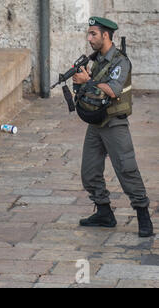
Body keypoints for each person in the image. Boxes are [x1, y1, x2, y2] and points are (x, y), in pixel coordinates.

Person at [73, 17, 154, 238]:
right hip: (96, 123)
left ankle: (143, 215)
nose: (89, 39)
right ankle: (104, 212)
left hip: (114, 123)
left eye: (93, 34)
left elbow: (112, 90)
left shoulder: (120, 61)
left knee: (127, 169)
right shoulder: (97, 59)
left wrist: (87, 81)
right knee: (89, 172)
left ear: (106, 35)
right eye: (89, 34)